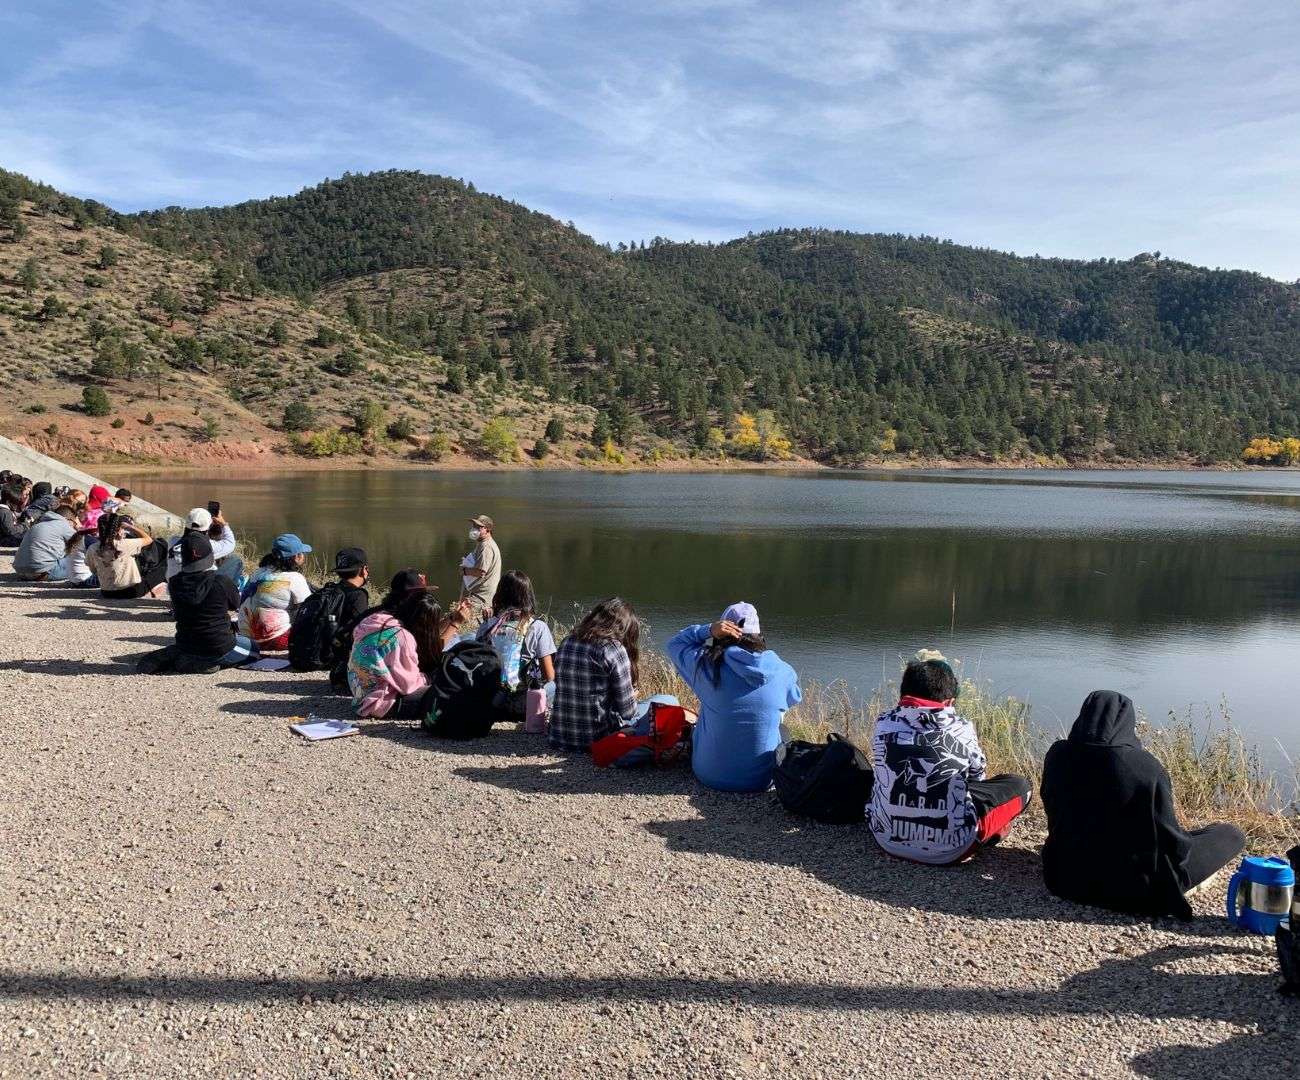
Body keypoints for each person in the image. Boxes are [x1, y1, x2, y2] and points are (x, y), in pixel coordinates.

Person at [1040, 690, 1247, 919]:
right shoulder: (1143, 766)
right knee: (1230, 834)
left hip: (1063, 878)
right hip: (1135, 890)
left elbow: (1052, 808)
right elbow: (1170, 841)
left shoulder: (1057, 755)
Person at [866, 650, 1032, 865]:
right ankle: (990, 833)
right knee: (1020, 785)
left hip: (885, 838)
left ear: (903, 694)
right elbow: (976, 778)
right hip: (951, 851)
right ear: (949, 700)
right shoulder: (961, 728)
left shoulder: (884, 722)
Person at [666, 602, 802, 792]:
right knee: (781, 727)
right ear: (758, 635)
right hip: (762, 781)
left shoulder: (706, 667)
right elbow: (794, 698)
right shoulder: (782, 671)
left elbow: (675, 644)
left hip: (709, 774)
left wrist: (708, 631)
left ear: (723, 632)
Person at [348, 587, 470, 718]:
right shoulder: (402, 637)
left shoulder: (378, 620)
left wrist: (451, 618)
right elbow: (409, 686)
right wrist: (429, 678)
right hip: (380, 702)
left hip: (361, 692)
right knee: (449, 694)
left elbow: (426, 635)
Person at [549, 597, 644, 752]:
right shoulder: (613, 648)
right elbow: (628, 713)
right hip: (597, 740)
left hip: (559, 737)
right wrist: (632, 696)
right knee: (665, 699)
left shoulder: (568, 641)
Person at [164, 532, 258, 670]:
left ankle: (191, 658)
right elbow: (235, 604)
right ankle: (209, 662)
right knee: (254, 649)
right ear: (210, 556)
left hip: (186, 643)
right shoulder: (220, 581)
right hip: (218, 645)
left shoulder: (174, 583)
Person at [475, 570, 558, 711]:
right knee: (555, 685)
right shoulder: (537, 627)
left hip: (489, 700)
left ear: (499, 595)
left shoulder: (487, 626)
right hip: (523, 704)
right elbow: (548, 676)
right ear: (528, 597)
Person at [238, 533, 313, 650]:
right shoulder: (295, 578)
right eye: (302, 553)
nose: (303, 556)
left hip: (247, 637)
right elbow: (308, 608)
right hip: (275, 639)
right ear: (296, 557)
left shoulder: (259, 572)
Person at [85, 513, 169, 599]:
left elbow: (93, 570)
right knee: (162, 568)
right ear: (118, 529)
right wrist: (130, 527)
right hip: (130, 592)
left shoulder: (92, 548)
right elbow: (149, 540)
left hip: (106, 592)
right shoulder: (125, 544)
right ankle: (157, 590)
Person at [166, 507, 238, 581]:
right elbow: (230, 544)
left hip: (174, 583)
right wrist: (223, 524)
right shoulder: (208, 546)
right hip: (200, 587)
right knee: (235, 560)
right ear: (208, 528)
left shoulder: (173, 541)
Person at [13, 504, 77, 581]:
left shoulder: (37, 525)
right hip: (42, 572)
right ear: (68, 519)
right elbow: (83, 542)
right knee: (80, 560)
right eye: (74, 523)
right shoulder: (64, 524)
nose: (74, 526)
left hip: (20, 571)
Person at [458, 514, 501, 628]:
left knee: (470, 628)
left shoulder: (486, 547)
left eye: (479, 527)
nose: (474, 529)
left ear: (487, 529)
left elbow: (481, 572)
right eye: (474, 526)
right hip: (482, 595)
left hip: (482, 598)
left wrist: (465, 570)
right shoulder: (483, 544)